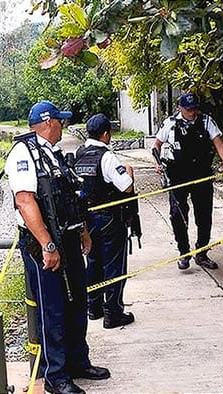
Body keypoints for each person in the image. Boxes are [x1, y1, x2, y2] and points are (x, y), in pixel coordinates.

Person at [4, 101, 110, 394]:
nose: (63, 126)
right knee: (53, 309)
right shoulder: (24, 154)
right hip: (44, 246)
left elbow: (71, 198)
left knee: (77, 301)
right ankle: (56, 376)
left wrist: (83, 232)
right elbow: (25, 201)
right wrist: (47, 244)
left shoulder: (56, 155)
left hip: (69, 239)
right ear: (48, 122)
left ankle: (78, 362)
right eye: (60, 121)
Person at [153, 93, 223, 270]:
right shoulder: (171, 123)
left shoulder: (206, 121)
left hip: (201, 173)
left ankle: (201, 253)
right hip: (177, 173)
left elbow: (218, 142)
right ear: (179, 108)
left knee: (204, 215)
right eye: (188, 109)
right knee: (177, 214)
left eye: (195, 108)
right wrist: (157, 163)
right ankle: (184, 253)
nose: (192, 112)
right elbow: (156, 144)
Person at [74, 113, 136, 329]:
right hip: (110, 219)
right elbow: (126, 186)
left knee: (93, 263)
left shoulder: (78, 155)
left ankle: (94, 307)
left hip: (86, 220)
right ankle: (113, 313)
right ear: (106, 134)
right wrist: (129, 171)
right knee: (114, 266)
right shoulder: (106, 157)